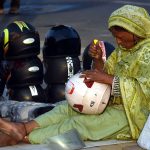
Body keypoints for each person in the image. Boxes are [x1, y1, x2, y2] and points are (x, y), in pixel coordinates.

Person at [0, 4, 150, 147]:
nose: (118, 42)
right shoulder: (122, 51)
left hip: (133, 117)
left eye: (122, 38)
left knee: (82, 124)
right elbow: (105, 78)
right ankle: (23, 128)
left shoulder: (147, 52)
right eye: (115, 37)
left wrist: (108, 79)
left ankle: (24, 138)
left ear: (135, 31)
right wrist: (98, 61)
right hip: (111, 103)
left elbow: (145, 90)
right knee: (68, 108)